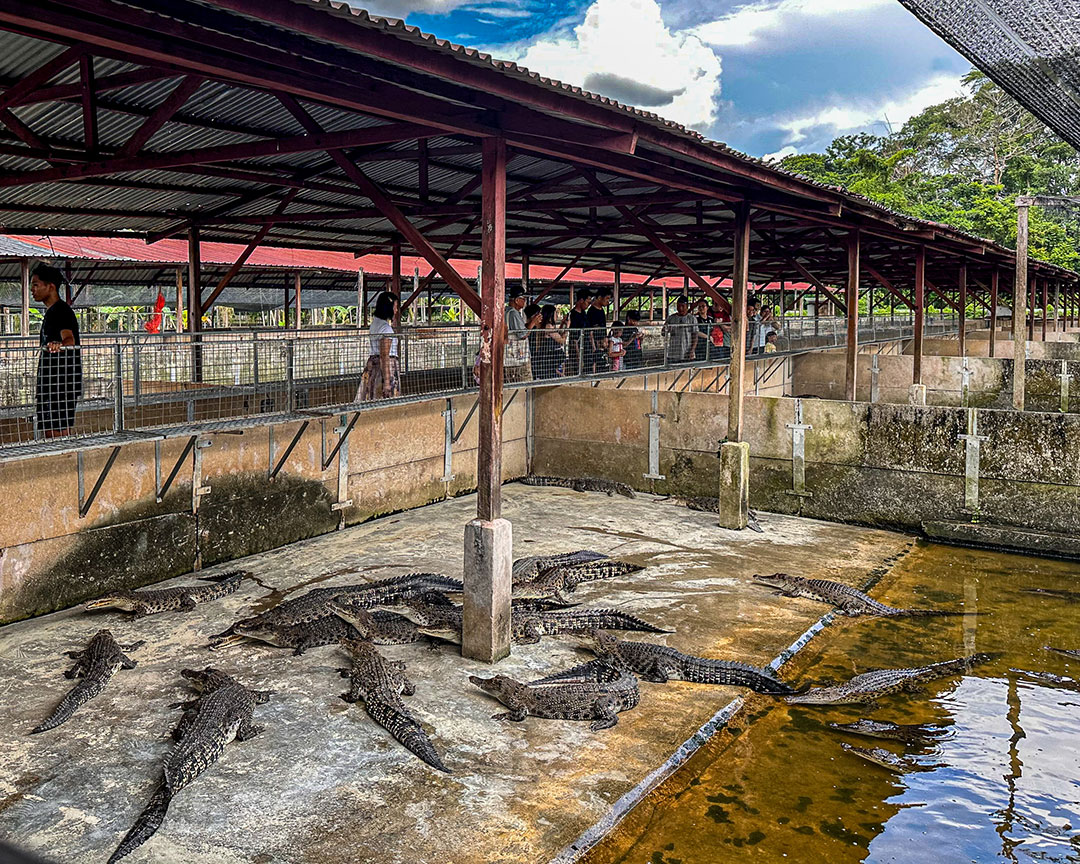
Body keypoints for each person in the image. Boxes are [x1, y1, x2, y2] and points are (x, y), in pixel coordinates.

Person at [31, 264, 81, 438]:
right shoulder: (51, 312)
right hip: (50, 381)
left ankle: (65, 460)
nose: (32, 289)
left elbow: (69, 339)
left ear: (50, 286)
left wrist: (59, 344)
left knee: (58, 430)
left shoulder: (61, 311)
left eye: (36, 284)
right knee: (49, 429)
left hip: (61, 382)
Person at [359, 290, 400, 400]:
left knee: (372, 396)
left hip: (373, 365)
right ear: (388, 307)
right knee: (387, 398)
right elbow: (384, 356)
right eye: (395, 307)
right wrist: (387, 382)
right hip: (385, 368)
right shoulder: (386, 328)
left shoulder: (375, 324)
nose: (396, 310)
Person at [504, 285, 534, 383]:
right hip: (518, 358)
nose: (524, 302)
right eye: (523, 299)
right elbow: (522, 335)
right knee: (524, 382)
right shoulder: (514, 313)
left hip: (510, 357)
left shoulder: (507, 311)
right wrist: (533, 323)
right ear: (517, 300)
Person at [530, 304, 567, 379]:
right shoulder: (548, 326)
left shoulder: (543, 325)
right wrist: (568, 327)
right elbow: (561, 340)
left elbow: (557, 334)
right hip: (551, 357)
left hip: (547, 356)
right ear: (551, 314)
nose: (556, 315)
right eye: (555, 313)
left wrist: (563, 323)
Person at [663, 295, 698, 363]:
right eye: (678, 306)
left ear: (687, 306)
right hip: (673, 353)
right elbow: (663, 333)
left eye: (682, 306)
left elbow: (695, 336)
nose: (680, 308)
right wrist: (666, 329)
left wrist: (692, 350)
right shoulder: (671, 318)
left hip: (687, 352)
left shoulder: (692, 319)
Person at [584, 289, 610, 374]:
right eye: (607, 298)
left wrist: (605, 339)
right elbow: (590, 331)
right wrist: (594, 346)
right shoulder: (591, 312)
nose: (608, 301)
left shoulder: (602, 310)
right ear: (599, 298)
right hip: (595, 345)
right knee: (595, 364)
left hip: (602, 344)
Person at [567, 289, 590, 375]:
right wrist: (578, 355)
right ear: (581, 300)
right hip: (576, 348)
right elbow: (573, 338)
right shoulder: (572, 315)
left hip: (586, 347)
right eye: (587, 302)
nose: (588, 305)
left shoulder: (584, 313)